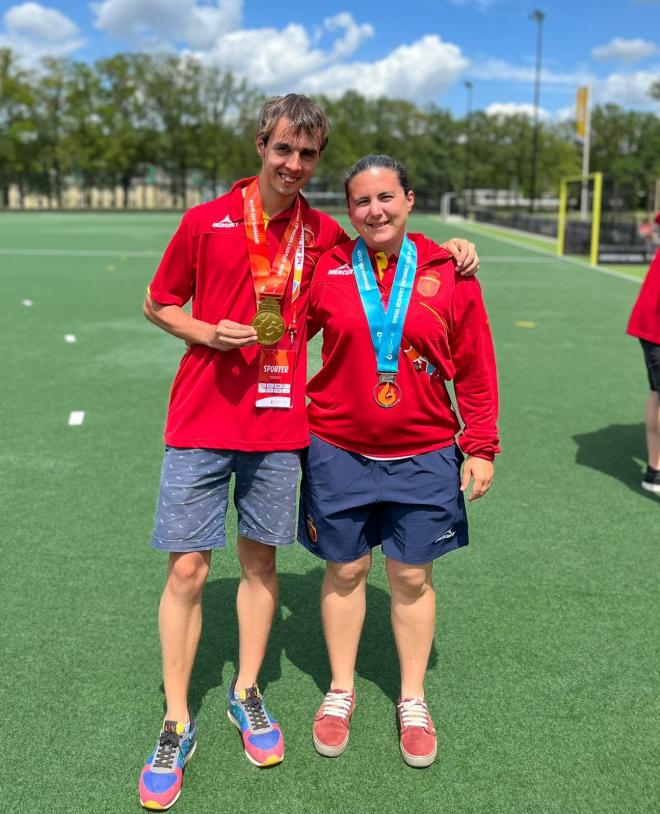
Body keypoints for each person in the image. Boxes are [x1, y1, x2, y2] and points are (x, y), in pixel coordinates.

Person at [138, 96, 480, 810]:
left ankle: (247, 692)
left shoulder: (326, 235)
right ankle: (175, 721)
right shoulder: (206, 221)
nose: (294, 164)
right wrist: (205, 332)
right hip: (200, 421)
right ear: (261, 144)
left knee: (261, 561)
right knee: (189, 570)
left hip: (280, 430)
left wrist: (454, 251)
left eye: (308, 154)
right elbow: (158, 301)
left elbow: (391, 243)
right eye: (283, 149)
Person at [298, 154, 499, 768]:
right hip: (337, 449)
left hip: (425, 453)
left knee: (411, 578)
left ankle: (412, 696)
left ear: (410, 200)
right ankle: (340, 689)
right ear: (349, 209)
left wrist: (482, 443)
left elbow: (475, 363)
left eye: (386, 197)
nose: (375, 210)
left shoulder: (448, 269)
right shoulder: (328, 267)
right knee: (346, 572)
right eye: (361, 201)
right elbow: (280, 335)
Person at [627, 248, 660, 494]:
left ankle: (654, 471)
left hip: (651, 322)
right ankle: (654, 472)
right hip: (655, 324)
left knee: (657, 393)